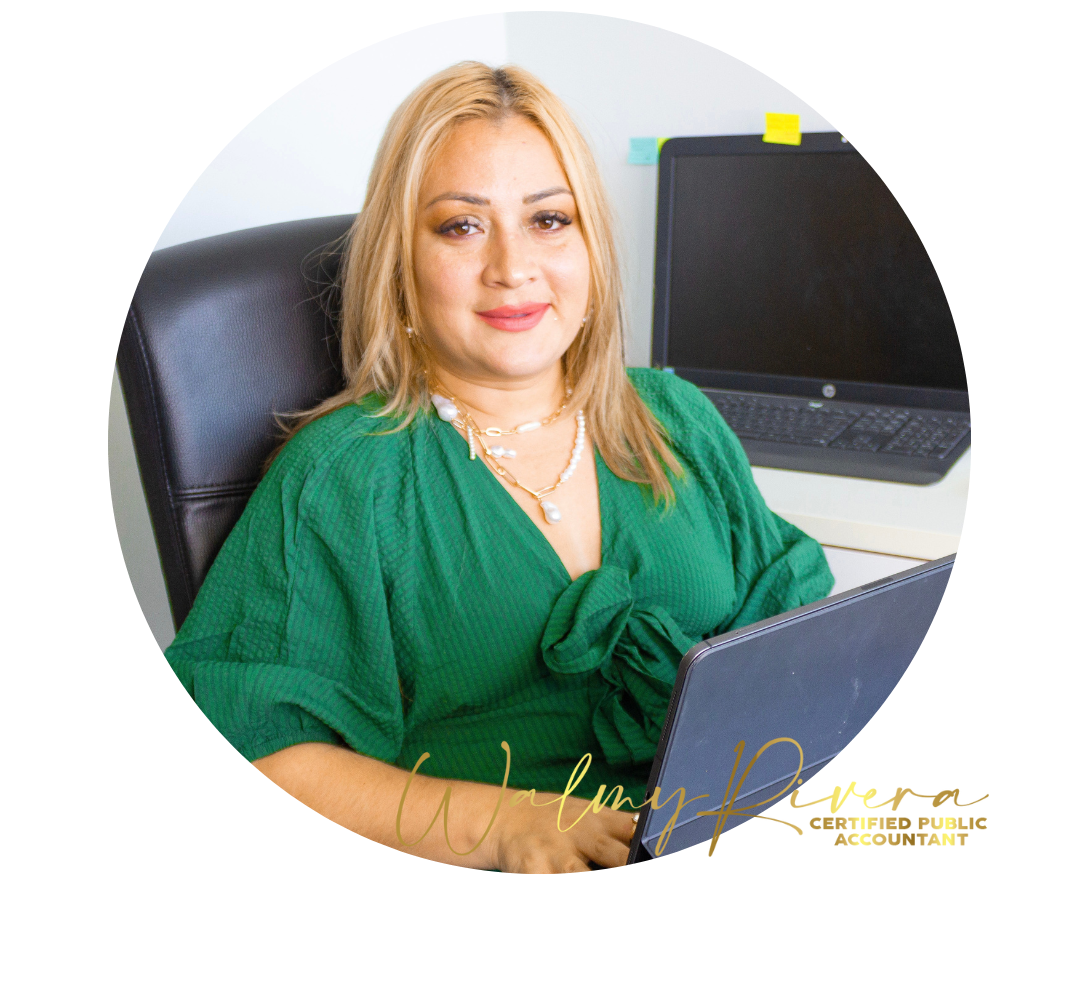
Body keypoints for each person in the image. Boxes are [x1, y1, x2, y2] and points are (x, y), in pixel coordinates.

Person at [164, 62, 834, 872]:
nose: (513, 267)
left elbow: (796, 628)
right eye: (461, 226)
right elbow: (262, 749)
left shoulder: (675, 418)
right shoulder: (342, 478)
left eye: (549, 219)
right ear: (401, 264)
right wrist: (504, 826)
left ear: (591, 247)